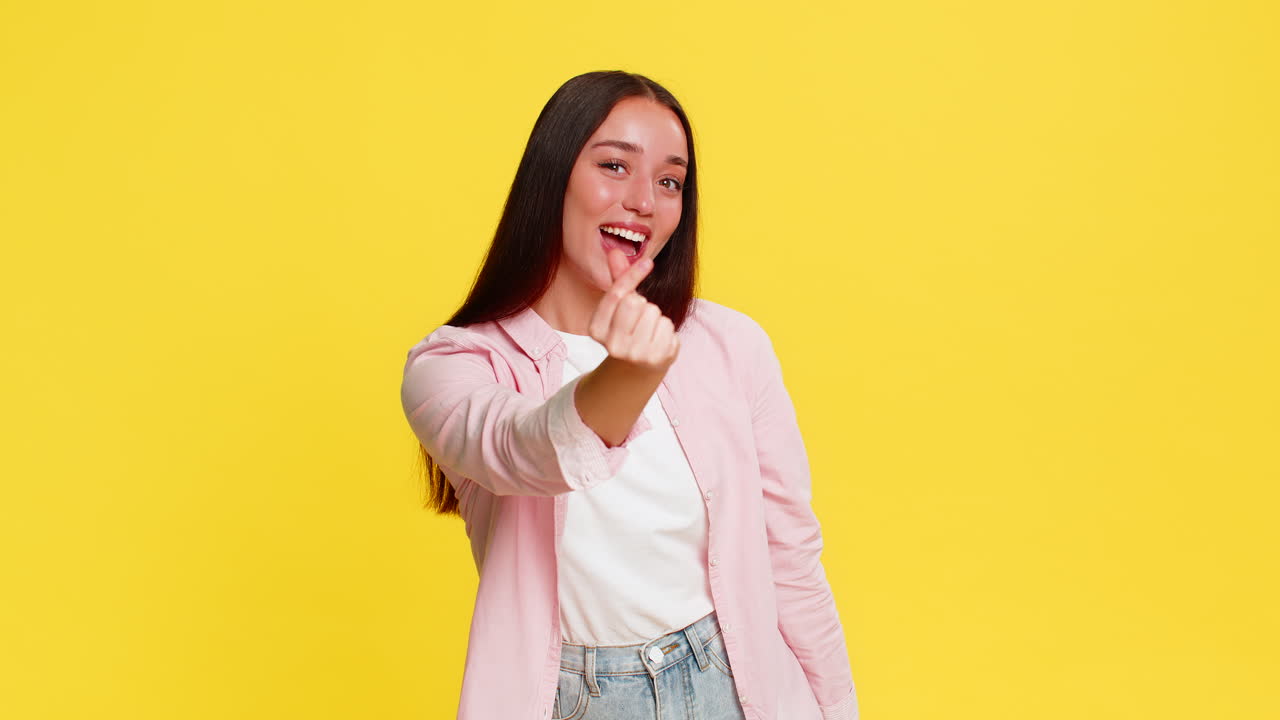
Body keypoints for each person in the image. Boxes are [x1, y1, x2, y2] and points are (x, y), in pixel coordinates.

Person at [399, 70, 859, 720]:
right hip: (580, 698)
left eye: (670, 181)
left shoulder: (732, 344)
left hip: (736, 682)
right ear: (552, 177)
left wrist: (837, 708)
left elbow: (792, 554)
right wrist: (628, 375)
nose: (645, 200)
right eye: (615, 166)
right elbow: (519, 449)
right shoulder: (454, 366)